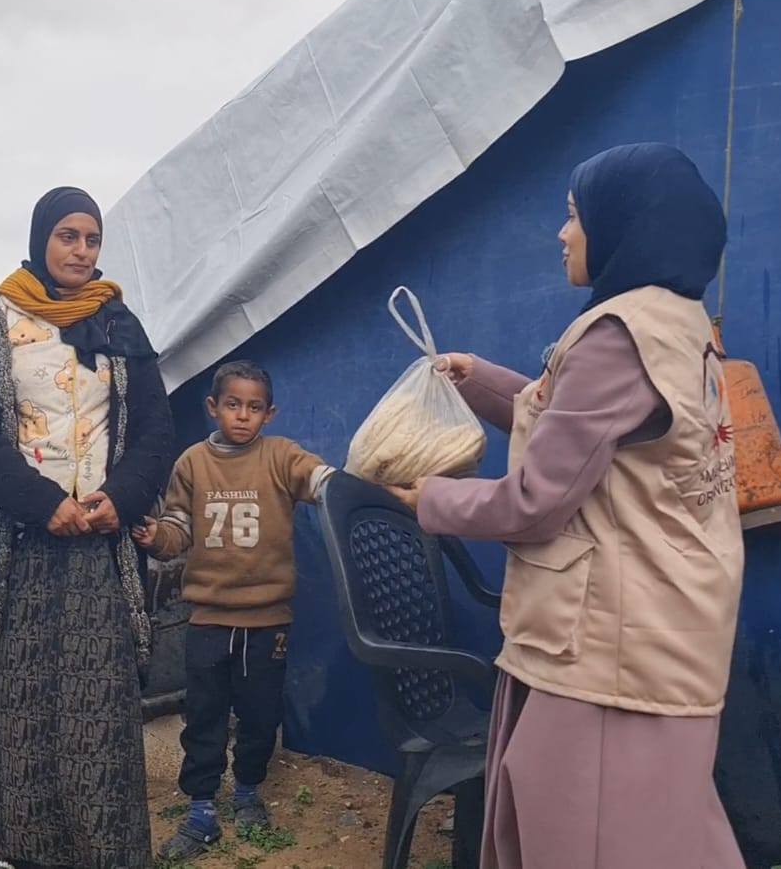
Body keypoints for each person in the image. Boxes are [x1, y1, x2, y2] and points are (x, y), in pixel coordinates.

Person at [385, 143, 747, 868]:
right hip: (657, 628)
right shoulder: (676, 322)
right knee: (662, 834)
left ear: (624, 221)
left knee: (586, 838)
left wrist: (429, 497)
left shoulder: (617, 335)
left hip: (609, 649)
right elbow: (581, 426)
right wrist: (476, 378)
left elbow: (534, 503)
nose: (562, 232)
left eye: (575, 214)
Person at [0, 186, 175, 869]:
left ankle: (108, 854)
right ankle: (27, 853)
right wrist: (42, 502)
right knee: (25, 702)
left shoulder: (119, 324)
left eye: (91, 239)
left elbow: (156, 432)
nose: (81, 251)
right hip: (27, 545)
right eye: (67, 236)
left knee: (101, 706)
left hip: (102, 547)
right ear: (41, 238)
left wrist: (120, 497)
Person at [133, 360, 332, 861]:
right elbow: (177, 529)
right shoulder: (193, 463)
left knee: (260, 714)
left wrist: (359, 482)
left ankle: (247, 791)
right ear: (213, 407)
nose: (243, 416)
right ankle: (201, 808)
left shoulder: (280, 456)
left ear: (270, 414)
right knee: (204, 715)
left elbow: (320, 480)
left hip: (268, 622)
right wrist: (157, 536)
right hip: (208, 619)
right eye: (233, 404)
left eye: (254, 407)